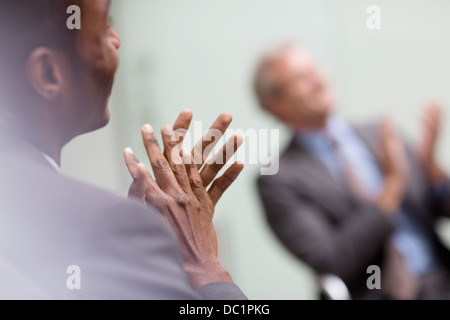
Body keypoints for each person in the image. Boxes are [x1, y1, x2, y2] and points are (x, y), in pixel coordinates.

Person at [0, 0, 245, 299]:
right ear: (49, 74)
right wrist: (203, 266)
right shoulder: (108, 226)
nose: (117, 40)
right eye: (104, 28)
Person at [255, 44, 450, 299]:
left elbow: (442, 211)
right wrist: (392, 186)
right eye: (302, 78)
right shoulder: (279, 179)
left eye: (316, 69)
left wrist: (431, 168)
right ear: (275, 105)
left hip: (441, 278)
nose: (318, 81)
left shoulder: (380, 133)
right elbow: (332, 258)